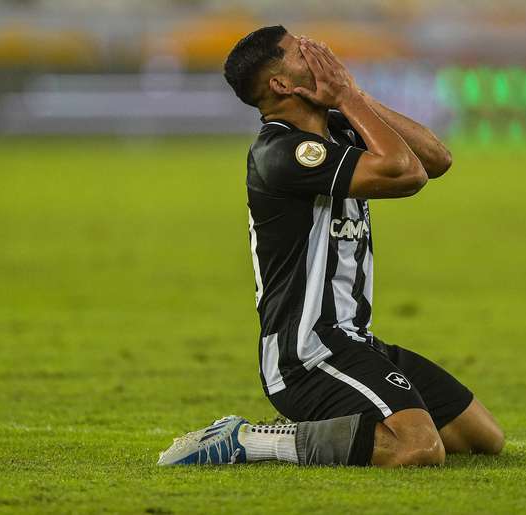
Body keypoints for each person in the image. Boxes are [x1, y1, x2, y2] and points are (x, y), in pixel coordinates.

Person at [158, 25, 504, 468]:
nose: (317, 51)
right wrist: (346, 97)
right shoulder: (280, 153)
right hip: (307, 355)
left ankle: (339, 426)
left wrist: (351, 97)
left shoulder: (338, 126)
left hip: (355, 341)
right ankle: (252, 440)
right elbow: (406, 175)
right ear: (281, 84)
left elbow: (436, 160)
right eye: (300, 51)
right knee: (418, 449)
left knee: (480, 439)